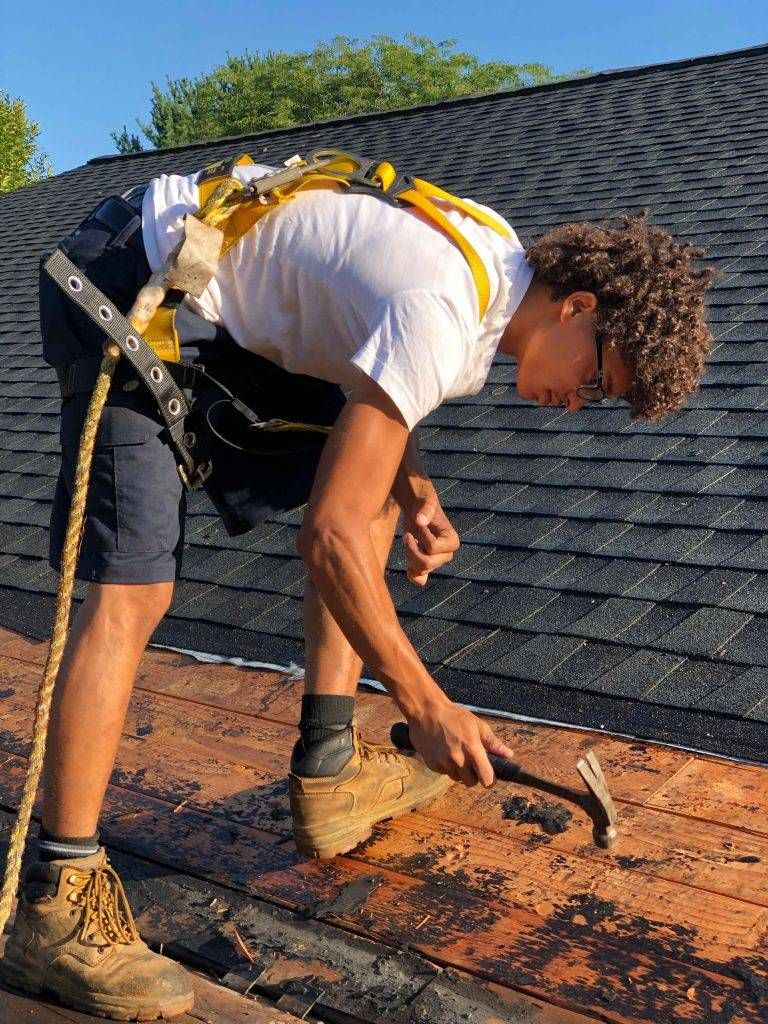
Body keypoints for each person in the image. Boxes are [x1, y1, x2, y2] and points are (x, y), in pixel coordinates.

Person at [0, 155, 715, 1019]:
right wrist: (424, 703)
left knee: (373, 494)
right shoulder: (445, 308)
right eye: (599, 378)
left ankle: (329, 766)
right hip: (133, 283)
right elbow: (328, 537)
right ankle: (58, 899)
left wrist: (415, 492)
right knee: (136, 589)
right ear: (579, 306)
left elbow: (362, 367)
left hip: (219, 302)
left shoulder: (494, 265)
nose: (580, 401)